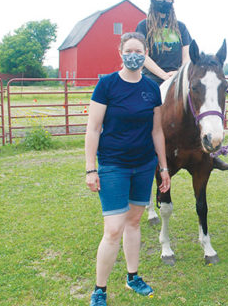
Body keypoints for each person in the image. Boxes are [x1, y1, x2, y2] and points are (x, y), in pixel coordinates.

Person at [85, 32, 171, 306]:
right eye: (129, 50)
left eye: (139, 51)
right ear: (120, 52)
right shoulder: (107, 85)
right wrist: (91, 168)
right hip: (113, 165)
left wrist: (164, 167)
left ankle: (133, 277)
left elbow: (157, 131)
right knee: (113, 229)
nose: (134, 55)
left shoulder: (151, 89)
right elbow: (93, 128)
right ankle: (100, 289)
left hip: (144, 165)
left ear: (145, 55)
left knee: (134, 222)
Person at [137, 0, 228, 171]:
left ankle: (211, 154)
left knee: (200, 106)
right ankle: (143, 151)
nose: (165, 1)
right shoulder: (144, 25)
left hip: (178, 75)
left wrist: (179, 73)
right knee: (143, 112)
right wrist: (163, 75)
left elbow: (187, 53)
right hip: (153, 77)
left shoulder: (180, 27)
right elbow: (143, 55)